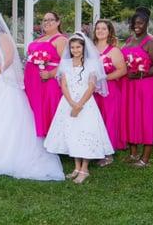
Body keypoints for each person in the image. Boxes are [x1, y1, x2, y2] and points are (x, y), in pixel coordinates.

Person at [0, 8, 64, 181]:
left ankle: (4, 156)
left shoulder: (4, 38)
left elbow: (8, 61)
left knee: (3, 119)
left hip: (2, 83)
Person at [44, 32, 114, 184]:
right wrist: (71, 103)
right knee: (73, 132)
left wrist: (80, 104)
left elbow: (91, 86)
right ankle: (76, 167)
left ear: (84, 48)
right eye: (73, 47)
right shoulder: (66, 63)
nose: (75, 50)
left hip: (85, 103)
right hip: (68, 102)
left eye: (78, 47)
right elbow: (63, 84)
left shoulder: (91, 64)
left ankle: (85, 168)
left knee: (86, 132)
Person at [120, 7, 153, 167]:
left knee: (147, 119)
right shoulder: (128, 41)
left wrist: (142, 74)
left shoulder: (152, 43)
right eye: (134, 23)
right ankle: (133, 153)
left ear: (147, 23)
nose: (137, 26)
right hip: (129, 87)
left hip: (146, 87)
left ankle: (145, 158)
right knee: (130, 117)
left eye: (140, 23)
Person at [24, 11, 67, 137]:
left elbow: (67, 64)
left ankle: (54, 139)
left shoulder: (61, 40)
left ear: (58, 22)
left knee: (48, 108)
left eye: (51, 20)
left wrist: (50, 74)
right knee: (34, 108)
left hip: (48, 81)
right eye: (44, 20)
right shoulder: (39, 39)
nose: (47, 22)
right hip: (32, 81)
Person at [92, 19, 127, 166]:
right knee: (95, 118)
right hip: (92, 90)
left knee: (109, 118)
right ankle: (94, 148)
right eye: (98, 28)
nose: (100, 31)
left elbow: (122, 70)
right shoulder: (90, 49)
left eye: (104, 29)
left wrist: (104, 78)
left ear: (109, 32)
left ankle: (108, 152)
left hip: (110, 91)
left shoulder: (114, 51)